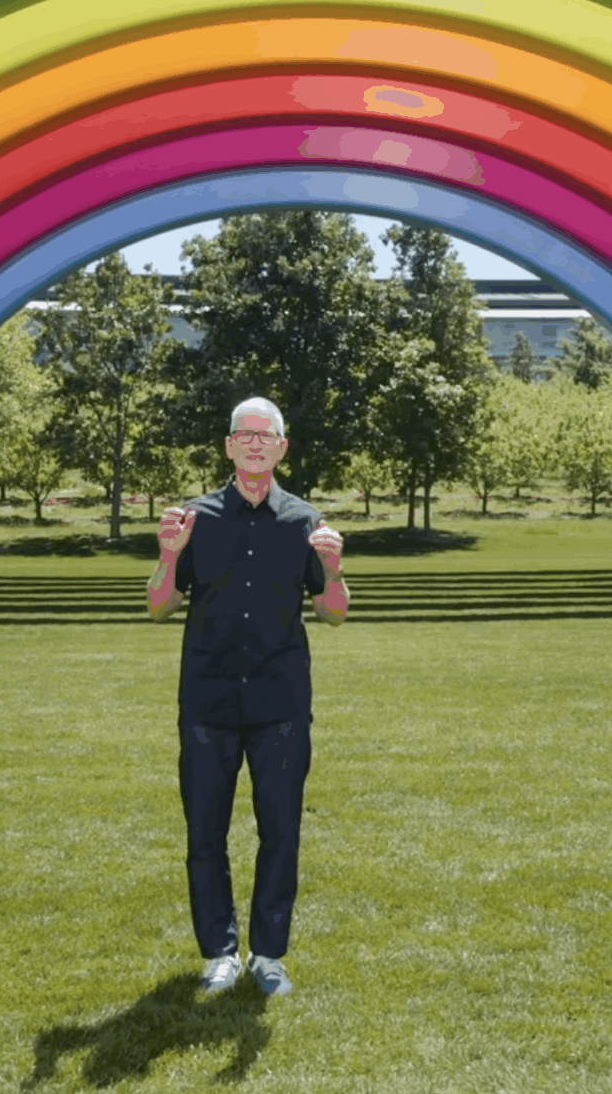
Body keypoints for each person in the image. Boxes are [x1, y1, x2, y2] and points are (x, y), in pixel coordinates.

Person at [146, 397, 347, 997]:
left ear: (283, 448)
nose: (256, 444)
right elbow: (159, 607)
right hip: (207, 701)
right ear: (229, 446)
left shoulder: (305, 522)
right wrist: (167, 556)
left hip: (280, 704)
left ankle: (269, 957)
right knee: (204, 834)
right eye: (245, 435)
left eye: (268, 435)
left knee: (280, 831)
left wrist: (333, 570)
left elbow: (333, 615)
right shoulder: (193, 519)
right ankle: (219, 955)